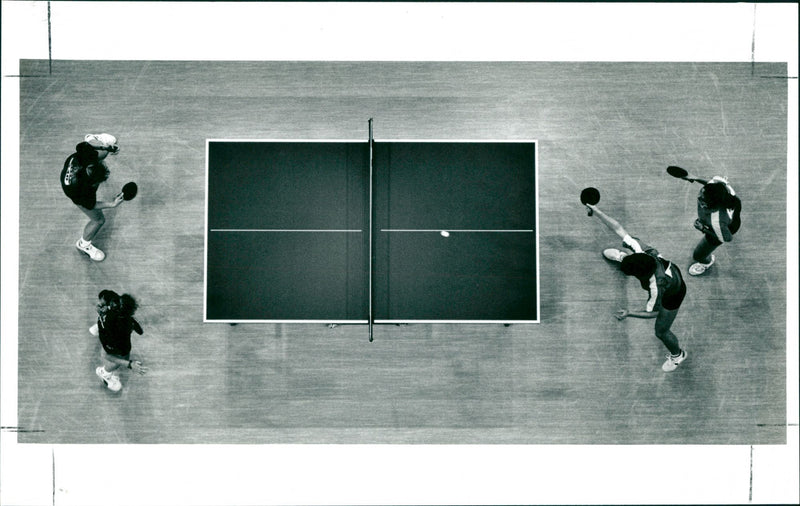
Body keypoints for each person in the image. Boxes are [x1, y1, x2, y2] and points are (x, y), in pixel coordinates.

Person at [585, 202, 688, 372]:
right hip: (657, 267)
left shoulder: (657, 287)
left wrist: (629, 313)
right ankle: (622, 258)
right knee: (629, 254)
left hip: (673, 294)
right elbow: (618, 228)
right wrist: (596, 210)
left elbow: (654, 312)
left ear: (641, 276)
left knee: (661, 331)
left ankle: (678, 355)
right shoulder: (643, 252)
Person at [60, 134, 124, 261]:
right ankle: (83, 245)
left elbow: (84, 144)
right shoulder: (80, 190)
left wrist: (108, 148)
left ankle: (98, 139)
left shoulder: (85, 154)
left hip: (79, 170)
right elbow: (91, 204)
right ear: (92, 183)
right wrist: (112, 204)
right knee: (98, 220)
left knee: (103, 152)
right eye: (97, 183)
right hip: (73, 191)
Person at [91, 290, 147, 392]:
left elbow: (139, 330)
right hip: (109, 340)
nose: (114, 302)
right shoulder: (122, 328)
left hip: (105, 325)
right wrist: (129, 364)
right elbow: (106, 356)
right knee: (123, 356)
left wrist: (100, 312)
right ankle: (104, 373)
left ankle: (98, 327)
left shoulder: (111, 308)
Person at [684, 175, 741, 276]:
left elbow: (727, 238)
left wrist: (703, 229)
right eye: (702, 192)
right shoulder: (719, 187)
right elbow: (709, 183)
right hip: (725, 220)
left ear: (713, 206)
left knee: (698, 255)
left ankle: (706, 262)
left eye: (703, 200)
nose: (699, 197)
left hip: (721, 230)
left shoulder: (717, 221)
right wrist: (694, 178)